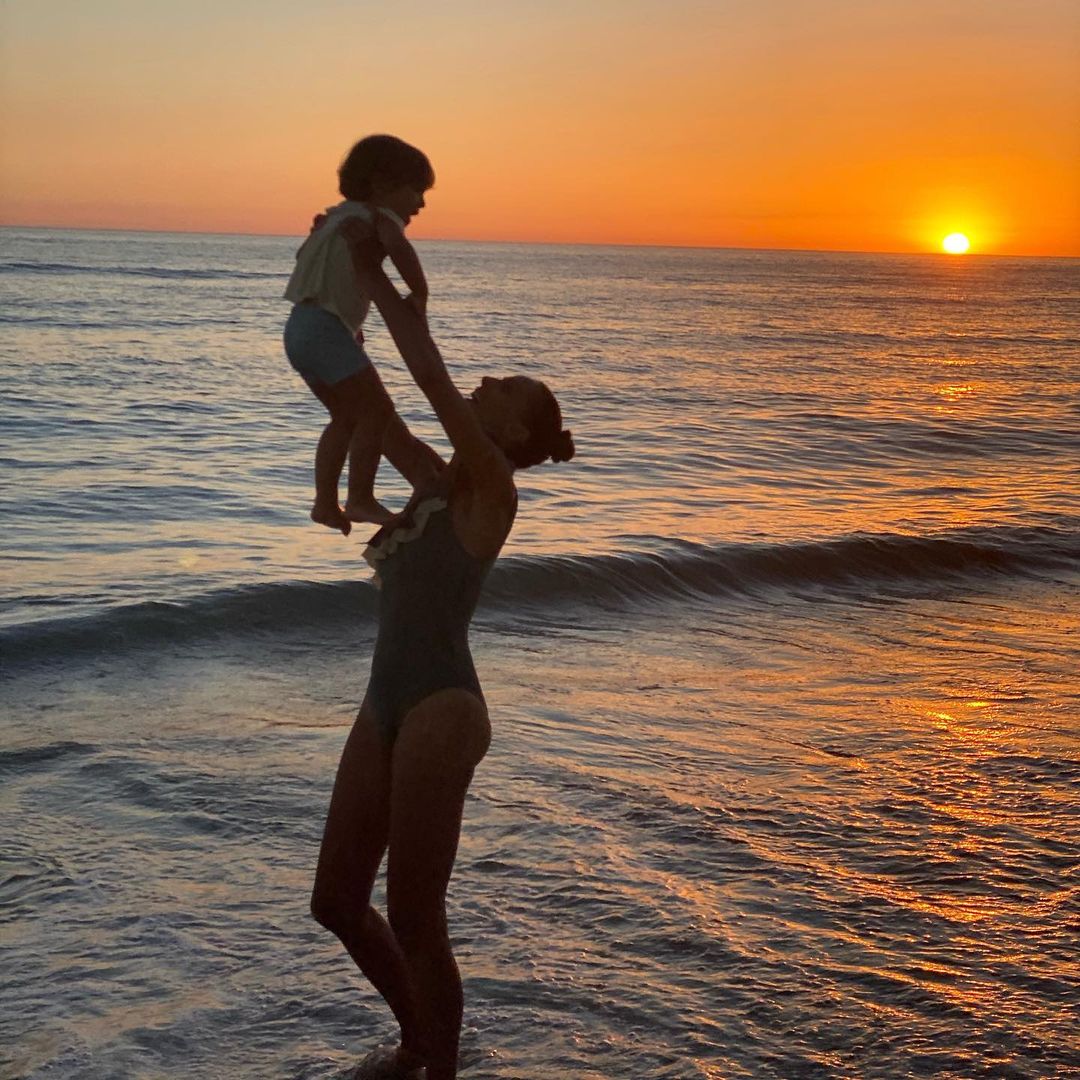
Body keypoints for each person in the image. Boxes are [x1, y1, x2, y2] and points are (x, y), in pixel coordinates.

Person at [309, 226, 575, 1080]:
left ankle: (437, 1065)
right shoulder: (435, 483)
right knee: (337, 902)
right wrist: (331, 317)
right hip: (383, 700)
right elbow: (373, 411)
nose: (489, 380)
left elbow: (426, 376)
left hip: (442, 710)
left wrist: (384, 284)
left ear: (516, 429)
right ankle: (420, 1038)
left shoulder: (493, 489)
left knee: (416, 915)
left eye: (509, 388)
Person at [283, 134, 444, 534]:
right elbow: (401, 250)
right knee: (376, 412)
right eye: (417, 191)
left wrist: (348, 328)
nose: (421, 204)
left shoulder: (336, 217)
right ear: (382, 185)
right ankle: (359, 497)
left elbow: (309, 264)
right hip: (325, 330)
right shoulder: (376, 217)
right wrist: (419, 293)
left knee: (345, 417)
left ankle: (324, 502)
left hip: (300, 328)